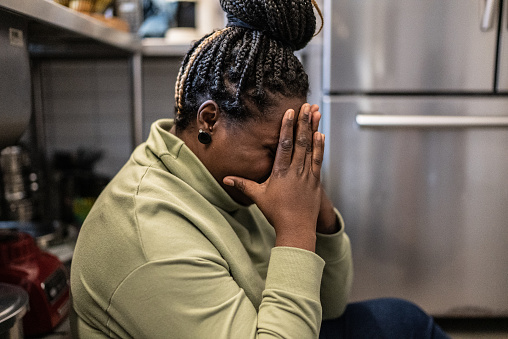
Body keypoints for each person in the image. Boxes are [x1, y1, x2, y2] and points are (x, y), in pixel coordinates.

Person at [70, 0, 450, 338]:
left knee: (405, 320)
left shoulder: (223, 180)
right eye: (275, 149)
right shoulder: (149, 235)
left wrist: (315, 209)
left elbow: (328, 306)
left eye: (292, 149)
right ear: (209, 120)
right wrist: (295, 230)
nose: (281, 169)